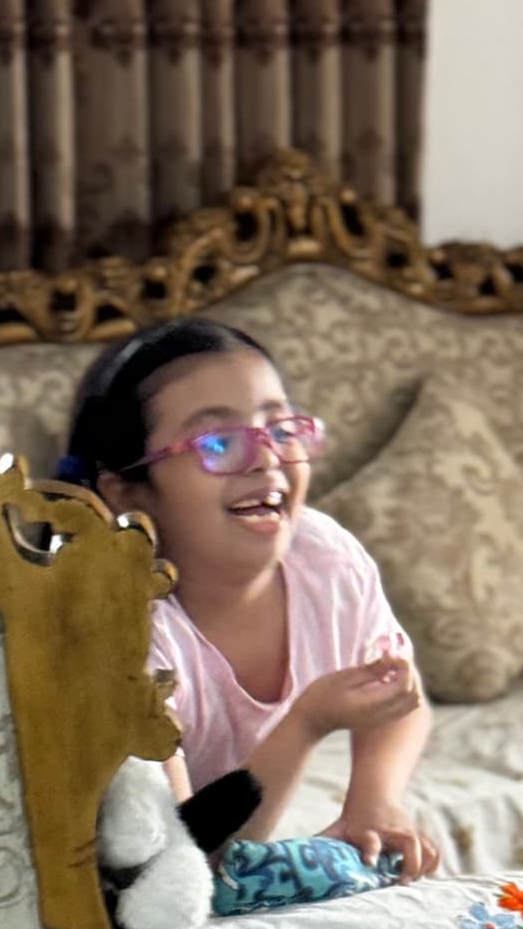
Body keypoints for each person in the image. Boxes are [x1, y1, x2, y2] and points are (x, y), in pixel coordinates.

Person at [61, 320, 441, 878]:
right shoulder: (120, 627)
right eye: (219, 443)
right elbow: (181, 867)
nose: (266, 460)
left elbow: (398, 700)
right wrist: (306, 724)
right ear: (127, 490)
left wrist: (374, 800)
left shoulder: (323, 558)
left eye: (282, 431)